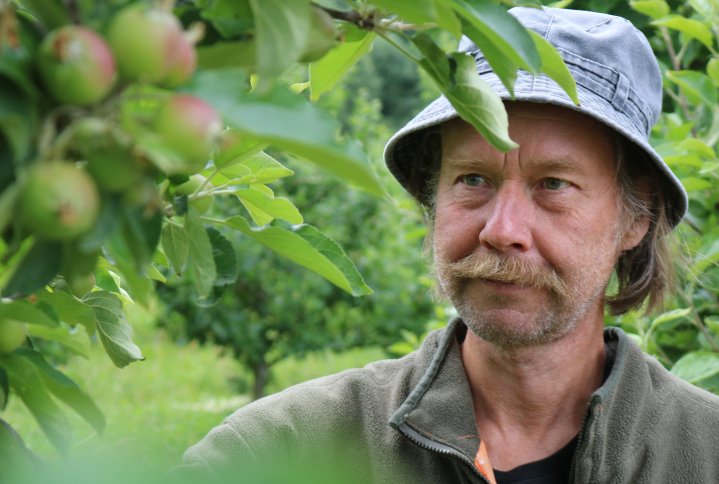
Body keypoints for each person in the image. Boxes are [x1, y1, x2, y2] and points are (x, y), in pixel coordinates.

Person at [179, 7, 719, 483]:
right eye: (473, 180)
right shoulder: (288, 447)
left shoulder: (703, 451)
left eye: (553, 184)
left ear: (636, 218)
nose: (501, 228)